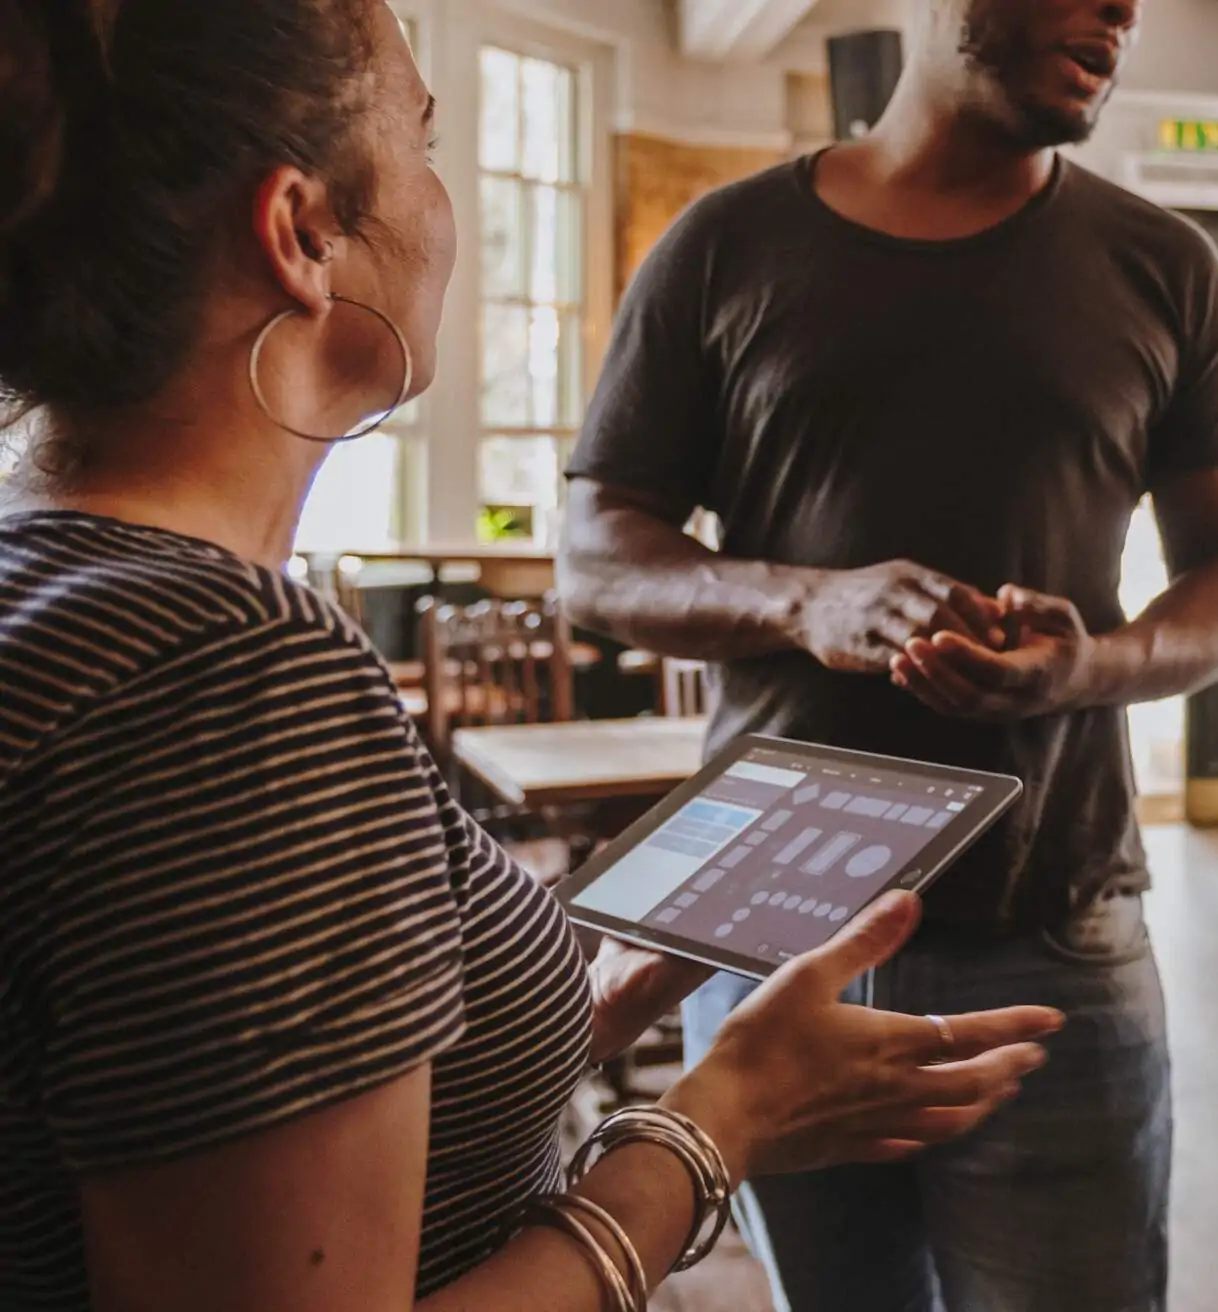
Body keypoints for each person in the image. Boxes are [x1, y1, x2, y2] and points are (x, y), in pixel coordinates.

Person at [0, 3, 1066, 1310]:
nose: (445, 207)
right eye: (425, 141)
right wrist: (716, 1122)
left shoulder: (50, 589)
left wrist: (595, 991)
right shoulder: (232, 683)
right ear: (301, 234)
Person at [557, 0, 1218, 1306]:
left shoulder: (1165, 267)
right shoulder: (725, 246)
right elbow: (594, 560)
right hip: (773, 940)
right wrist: (799, 604)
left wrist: (1090, 668)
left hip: (1055, 938)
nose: (1122, 9)